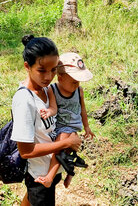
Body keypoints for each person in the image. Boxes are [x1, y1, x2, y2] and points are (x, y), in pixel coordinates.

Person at [11, 35, 82, 206]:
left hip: (50, 168)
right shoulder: (25, 100)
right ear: (27, 67)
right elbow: (26, 151)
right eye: (42, 70)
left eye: (53, 70)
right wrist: (65, 143)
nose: (48, 76)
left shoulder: (46, 91)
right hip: (40, 176)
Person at [34, 52, 95, 189]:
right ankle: (60, 174)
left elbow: (82, 110)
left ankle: (57, 176)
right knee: (62, 151)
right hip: (60, 126)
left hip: (73, 127)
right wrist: (49, 112)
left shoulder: (79, 91)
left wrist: (87, 127)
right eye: (73, 81)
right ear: (60, 79)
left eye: (78, 81)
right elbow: (54, 108)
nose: (76, 84)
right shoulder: (52, 90)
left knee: (63, 150)